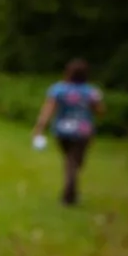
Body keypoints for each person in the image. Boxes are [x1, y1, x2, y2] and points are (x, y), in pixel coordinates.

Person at [33, 58, 104, 206]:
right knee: (74, 162)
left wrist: (40, 127)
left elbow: (48, 109)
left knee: (70, 161)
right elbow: (100, 111)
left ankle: (72, 191)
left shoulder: (58, 89)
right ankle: (69, 195)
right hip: (83, 131)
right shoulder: (91, 92)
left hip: (62, 130)